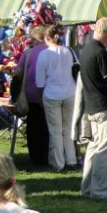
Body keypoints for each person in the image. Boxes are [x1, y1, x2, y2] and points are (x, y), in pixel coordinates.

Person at [79, 18, 107, 200]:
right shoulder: (101, 53)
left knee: (94, 150)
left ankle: (88, 188)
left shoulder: (86, 50)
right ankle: (100, 191)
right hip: (106, 107)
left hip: (92, 107)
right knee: (106, 152)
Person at [35, 25, 78, 171]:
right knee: (67, 129)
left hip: (52, 94)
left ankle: (58, 163)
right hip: (70, 92)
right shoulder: (68, 51)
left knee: (55, 131)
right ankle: (71, 159)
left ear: (46, 38)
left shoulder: (44, 55)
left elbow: (39, 81)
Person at [14, 26, 50, 167]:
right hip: (48, 94)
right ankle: (46, 156)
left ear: (36, 38)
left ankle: (35, 157)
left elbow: (18, 73)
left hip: (31, 95)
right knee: (47, 127)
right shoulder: (53, 51)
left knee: (33, 128)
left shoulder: (28, 53)